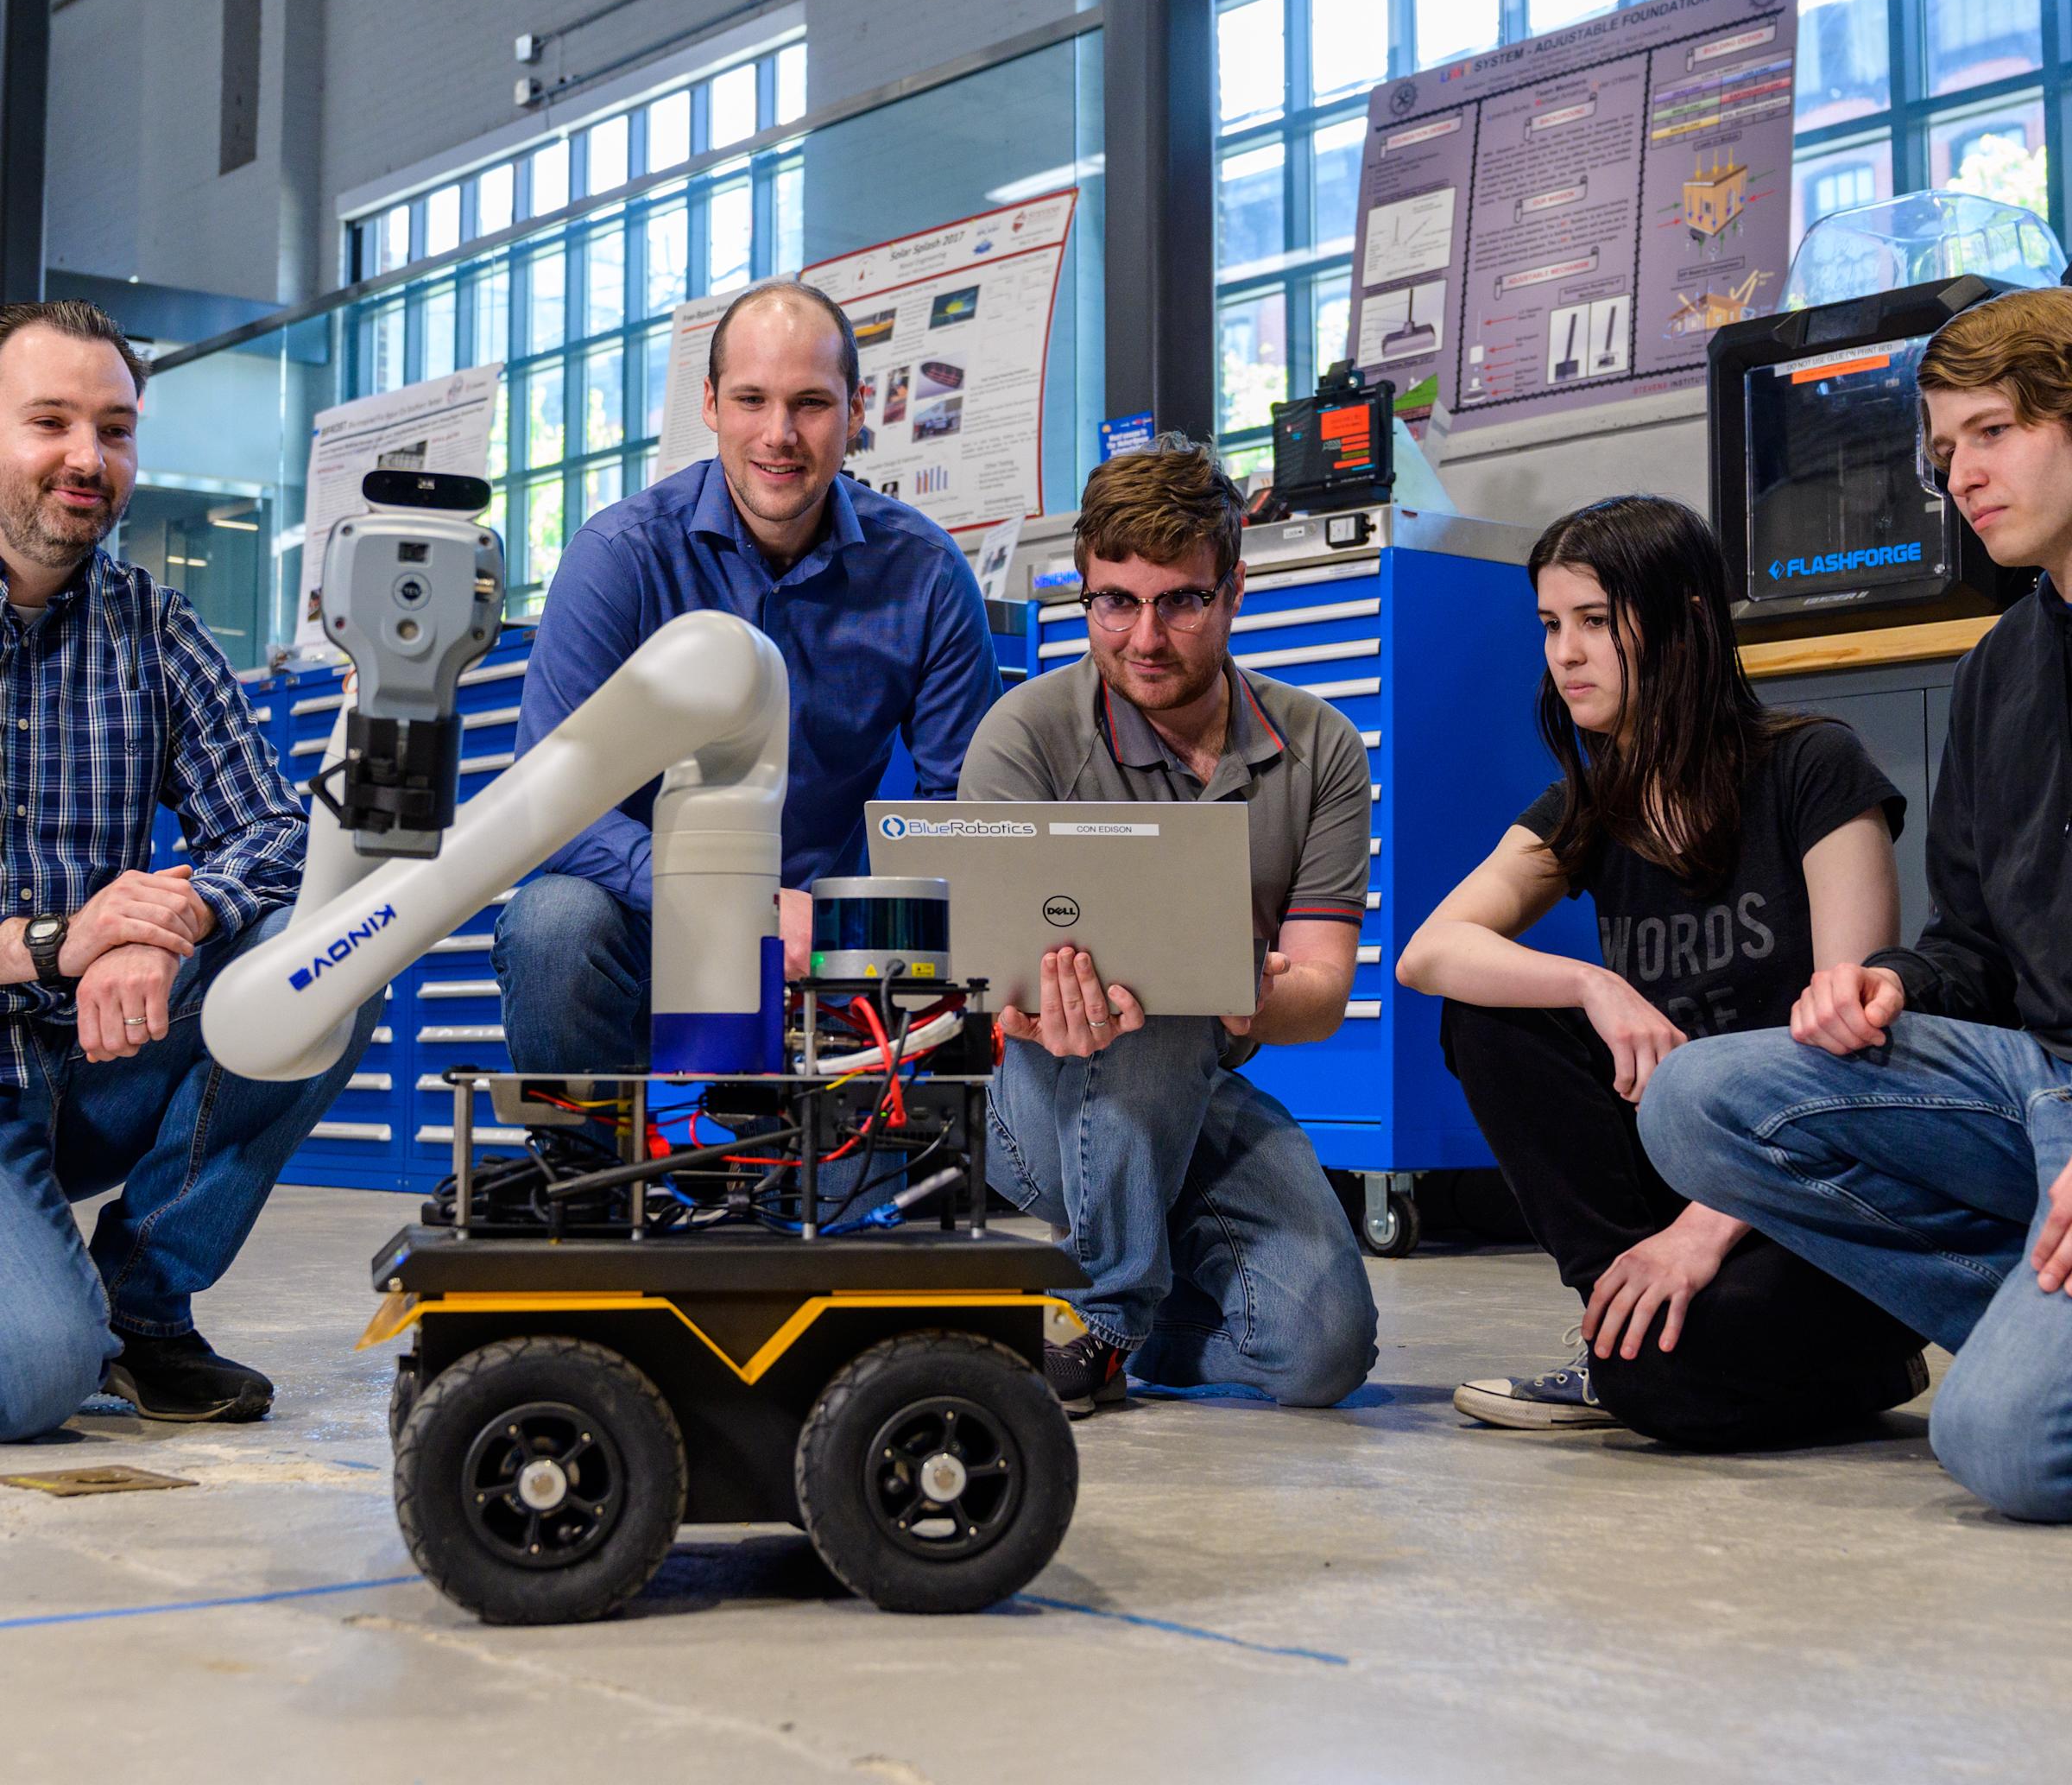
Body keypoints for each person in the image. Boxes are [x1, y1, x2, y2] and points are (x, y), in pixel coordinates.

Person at [1641, 289, 2072, 1516]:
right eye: (1945, 450)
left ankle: (2027, 1364)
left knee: (2002, 1452)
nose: (1961, 476)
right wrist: (1889, 984)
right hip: (2036, 1084)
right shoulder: (2001, 667)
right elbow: (1975, 945)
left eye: (1994, 432)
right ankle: (2029, 1321)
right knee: (1694, 1098)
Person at [1396, 495, 1928, 1446]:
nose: (1565, 655)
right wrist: (1593, 985)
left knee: (1665, 1389)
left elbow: (1849, 1056)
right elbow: (1429, 953)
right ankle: (1615, 1321)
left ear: (1683, 618)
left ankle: (1838, 1356)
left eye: (1596, 622)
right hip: (1679, 1178)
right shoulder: (1592, 803)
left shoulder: (1814, 767)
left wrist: (1704, 1229)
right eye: (1551, 625)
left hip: (1815, 1194)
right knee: (1486, 1014)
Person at [0, 300, 379, 1441]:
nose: (87, 458)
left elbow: (276, 835)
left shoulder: (153, 630)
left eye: (114, 430)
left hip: (95, 1058)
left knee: (334, 955)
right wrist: (63, 941)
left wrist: (179, 916)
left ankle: (141, 1307)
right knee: (35, 1378)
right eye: (50, 422)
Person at [957, 435, 1378, 1415]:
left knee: (1323, 1353)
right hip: (1035, 1102)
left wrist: (1242, 990)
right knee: (1158, 980)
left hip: (1196, 1081)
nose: (1144, 637)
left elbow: (1319, 995)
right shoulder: (1026, 735)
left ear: (1234, 592)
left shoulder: (1320, 748)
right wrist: (1031, 1009)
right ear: (1085, 594)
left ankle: (1099, 1329)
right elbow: (986, 986)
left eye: (1181, 601)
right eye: (1115, 601)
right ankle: (1103, 1315)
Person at [494, 281, 1000, 1073]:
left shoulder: (925, 574)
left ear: (856, 410)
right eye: (751, 399)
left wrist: (859, 923)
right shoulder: (619, 559)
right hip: (649, 920)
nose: (779, 435)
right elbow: (548, 804)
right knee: (554, 926)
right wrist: (738, 903)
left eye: (811, 403)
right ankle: (584, 1151)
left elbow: (961, 812)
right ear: (710, 403)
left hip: (827, 939)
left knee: (959, 964)